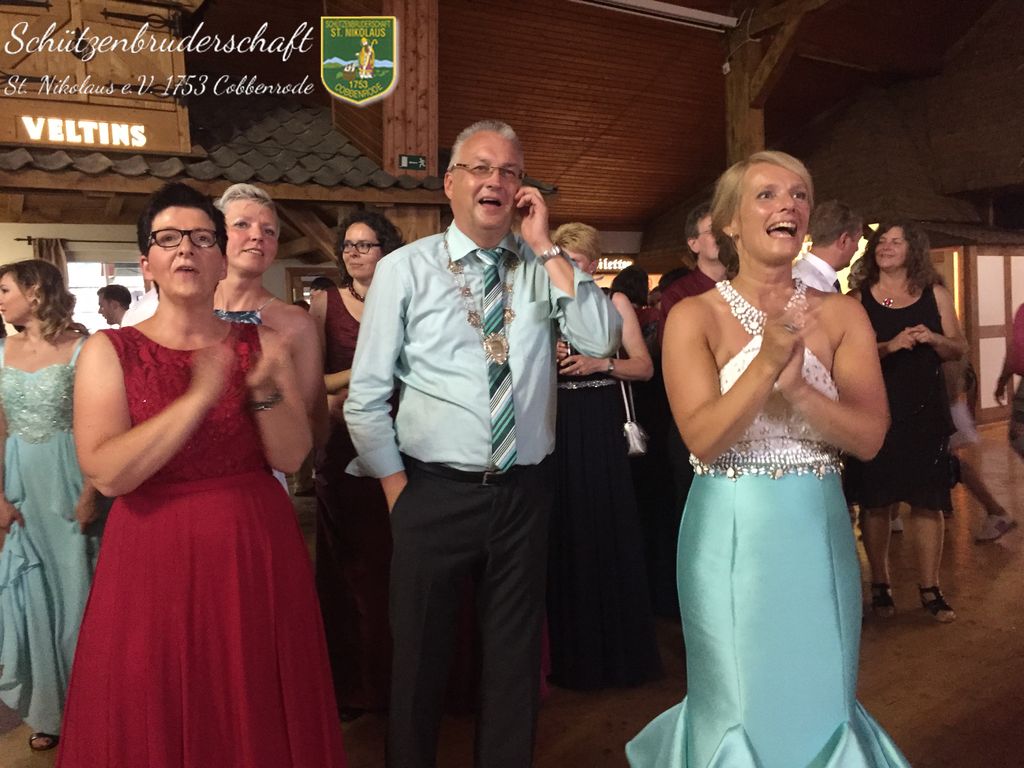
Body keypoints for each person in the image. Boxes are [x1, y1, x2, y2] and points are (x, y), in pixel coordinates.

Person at [344, 120, 621, 768]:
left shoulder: (541, 268)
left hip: (524, 493)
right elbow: (366, 394)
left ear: (521, 189)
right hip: (431, 491)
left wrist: (545, 244)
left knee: (514, 663)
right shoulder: (404, 269)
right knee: (419, 661)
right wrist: (397, 491)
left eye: (510, 171)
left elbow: (601, 339)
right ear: (450, 183)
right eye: (480, 167)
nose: (495, 180)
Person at [627, 151, 909, 768]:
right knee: (737, 703)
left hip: (818, 530)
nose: (789, 204)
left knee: (823, 699)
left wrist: (801, 390)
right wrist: (766, 362)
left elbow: (869, 438)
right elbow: (702, 439)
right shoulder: (693, 315)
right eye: (767, 194)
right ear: (729, 222)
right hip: (729, 536)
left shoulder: (842, 314)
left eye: (799, 194)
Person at [55, 182, 346, 768]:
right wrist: (198, 397)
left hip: (252, 544)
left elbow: (292, 456)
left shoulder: (262, 343)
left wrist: (260, 391)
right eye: (168, 239)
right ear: (147, 263)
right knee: (155, 690)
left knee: (253, 691)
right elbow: (108, 474)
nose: (186, 248)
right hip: (151, 550)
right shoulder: (110, 350)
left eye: (201, 238)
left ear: (219, 259)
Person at [546, 223, 661, 691]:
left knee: (603, 523)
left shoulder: (614, 302)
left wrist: (601, 362)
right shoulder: (545, 301)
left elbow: (645, 367)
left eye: (574, 262)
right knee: (563, 527)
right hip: (555, 420)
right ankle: (567, 653)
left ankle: (616, 652)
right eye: (560, 261)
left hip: (598, 417)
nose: (566, 270)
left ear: (593, 264)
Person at [846, 221, 967, 623]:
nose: (886, 246)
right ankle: (880, 584)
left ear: (912, 249)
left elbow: (958, 347)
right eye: (881, 241)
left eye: (895, 241)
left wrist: (934, 338)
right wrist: (889, 346)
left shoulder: (935, 293)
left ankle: (930, 588)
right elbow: (847, 356)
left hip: (925, 414)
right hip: (875, 412)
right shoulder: (858, 299)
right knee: (877, 501)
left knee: (928, 502)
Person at [0, 260, 98, 753]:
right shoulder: (2, 351)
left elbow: (100, 423)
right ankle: (48, 710)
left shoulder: (84, 348)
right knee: (32, 593)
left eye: (4, 289)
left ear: (35, 291)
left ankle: (93, 705)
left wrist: (92, 490)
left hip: (71, 475)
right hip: (22, 481)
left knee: (81, 591)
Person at [310, 209, 403, 719]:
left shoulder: (406, 298)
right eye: (348, 245)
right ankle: (354, 684)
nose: (354, 253)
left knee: (397, 562)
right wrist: (361, 374)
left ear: (386, 250)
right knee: (350, 567)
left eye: (365, 244)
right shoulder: (324, 303)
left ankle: (404, 677)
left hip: (405, 441)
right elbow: (311, 380)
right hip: (344, 445)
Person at [792, 199, 862, 293]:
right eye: (857, 241)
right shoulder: (809, 285)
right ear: (844, 240)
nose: (857, 248)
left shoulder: (809, 278)